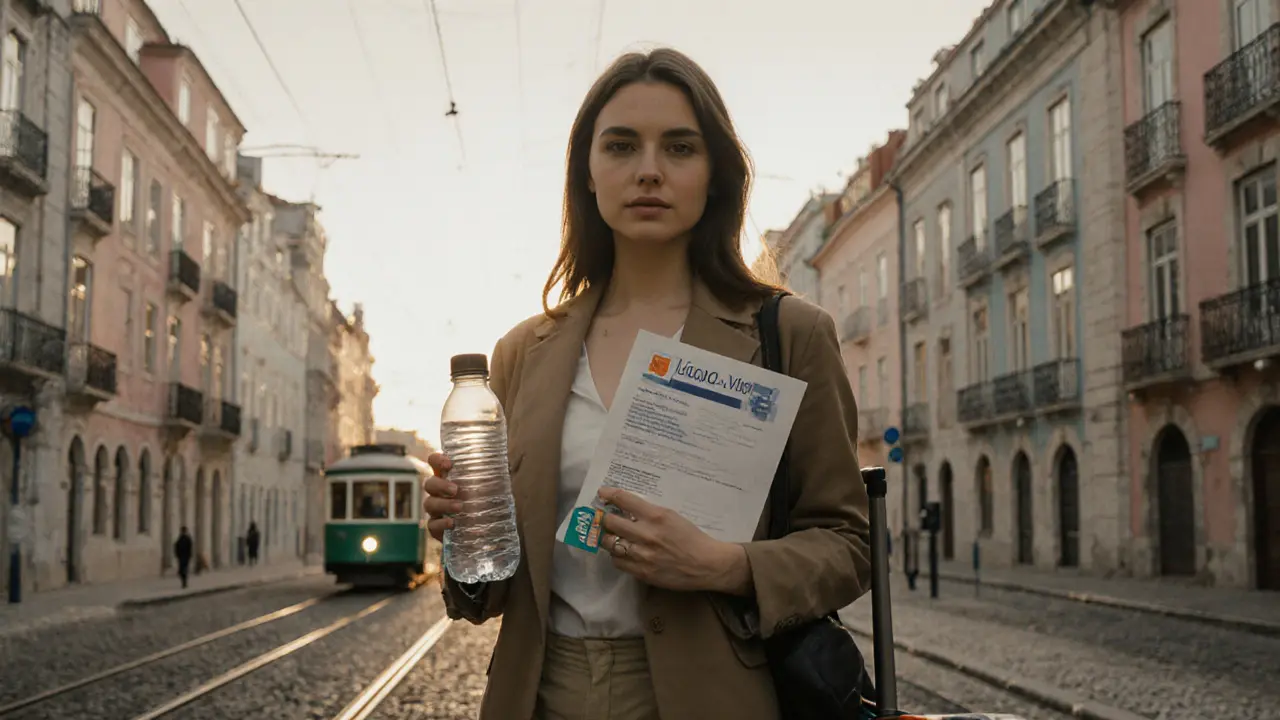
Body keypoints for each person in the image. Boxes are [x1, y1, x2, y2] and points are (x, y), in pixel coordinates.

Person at [422, 48, 871, 720]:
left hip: (713, 694)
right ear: (588, 174)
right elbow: (487, 595)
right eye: (622, 146)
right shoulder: (521, 352)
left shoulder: (789, 334)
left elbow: (848, 543)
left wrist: (725, 565)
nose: (649, 171)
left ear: (716, 174)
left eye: (680, 148)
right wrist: (462, 534)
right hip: (539, 693)